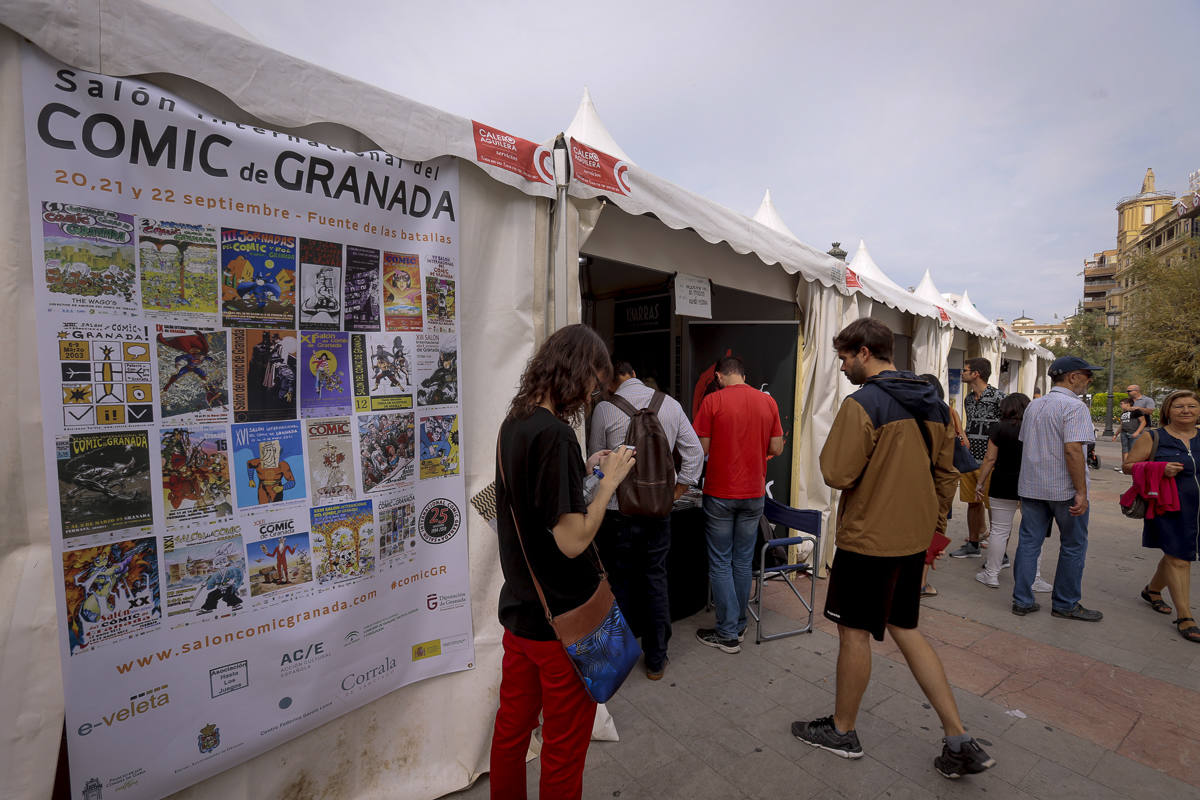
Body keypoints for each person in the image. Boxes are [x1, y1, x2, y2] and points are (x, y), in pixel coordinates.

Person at [794, 318, 995, 780]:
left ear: (865, 352)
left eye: (845, 357)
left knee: (854, 632)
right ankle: (958, 737)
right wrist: (934, 530)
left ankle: (843, 731)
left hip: (869, 539)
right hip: (913, 538)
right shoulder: (936, 405)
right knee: (905, 628)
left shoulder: (863, 402)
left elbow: (836, 474)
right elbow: (947, 474)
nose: (842, 367)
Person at [490, 324, 636, 800]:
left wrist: (584, 471)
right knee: (563, 747)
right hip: (562, 624)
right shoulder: (554, 435)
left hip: (521, 615)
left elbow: (533, 506)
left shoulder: (514, 422)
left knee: (511, 734)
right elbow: (572, 541)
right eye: (594, 381)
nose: (593, 393)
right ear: (576, 371)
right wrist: (610, 480)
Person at [589, 360, 703, 680]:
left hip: (617, 512)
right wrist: (678, 489)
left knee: (618, 584)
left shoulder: (604, 409)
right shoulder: (670, 404)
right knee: (655, 579)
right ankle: (656, 660)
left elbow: (597, 463)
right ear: (635, 374)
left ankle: (617, 662)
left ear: (612, 382)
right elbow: (693, 451)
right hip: (658, 510)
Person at [692, 356, 784, 654]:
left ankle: (727, 633)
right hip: (754, 493)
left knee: (720, 561)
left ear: (719, 376)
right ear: (743, 375)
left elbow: (701, 449)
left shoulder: (712, 402)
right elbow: (776, 447)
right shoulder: (767, 402)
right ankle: (740, 623)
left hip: (720, 492)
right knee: (743, 562)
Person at [1011, 355, 1104, 620]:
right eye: (1087, 375)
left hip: (1032, 487)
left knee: (1029, 543)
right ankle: (1065, 603)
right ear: (1073, 377)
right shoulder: (1074, 407)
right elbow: (1074, 450)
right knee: (1073, 545)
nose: (1089, 381)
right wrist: (1082, 492)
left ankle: (1022, 600)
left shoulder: (1034, 406)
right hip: (1064, 490)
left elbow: (1026, 444)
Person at [1125, 390, 1200, 643]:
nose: (1186, 410)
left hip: (1197, 509)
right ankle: (1185, 616)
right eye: (1179, 406)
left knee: (1176, 554)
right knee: (1179, 558)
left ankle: (1152, 590)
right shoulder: (1153, 437)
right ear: (1168, 410)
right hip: (1168, 507)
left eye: (1192, 406)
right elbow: (1128, 466)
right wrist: (1159, 468)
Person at [972, 393, 1053, 592]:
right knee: (1034, 533)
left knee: (999, 530)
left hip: (1002, 482)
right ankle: (1034, 578)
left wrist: (980, 483)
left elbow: (990, 459)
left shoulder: (998, 428)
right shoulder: (1035, 427)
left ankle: (991, 575)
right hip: (1031, 483)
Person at [914, 373, 964, 599]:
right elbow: (946, 467)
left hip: (906, 487)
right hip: (934, 486)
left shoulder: (905, 413)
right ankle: (921, 583)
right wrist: (943, 506)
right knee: (932, 532)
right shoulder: (944, 414)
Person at [950, 358, 1005, 559]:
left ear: (976, 374)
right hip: (970, 459)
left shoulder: (999, 397)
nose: (962, 373)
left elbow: (1005, 429)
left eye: (965, 370)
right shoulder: (967, 399)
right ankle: (973, 543)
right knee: (972, 503)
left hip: (991, 462)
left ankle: (1000, 552)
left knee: (993, 506)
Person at [1112, 397, 1150, 471]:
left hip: (1133, 433)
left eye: (1122, 404)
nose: (1120, 405)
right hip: (1124, 433)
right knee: (1124, 450)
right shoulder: (1123, 413)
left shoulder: (1136, 411)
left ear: (1128, 404)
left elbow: (1143, 422)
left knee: (1132, 451)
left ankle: (1132, 468)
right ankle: (1125, 467)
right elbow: (1122, 425)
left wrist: (1137, 432)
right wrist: (1116, 434)